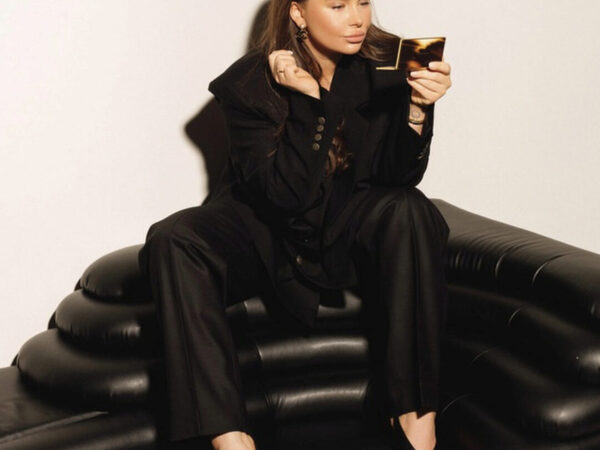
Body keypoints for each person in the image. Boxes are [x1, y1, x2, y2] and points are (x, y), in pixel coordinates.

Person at [138, 0, 452, 449]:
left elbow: (396, 177)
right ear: (298, 13)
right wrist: (309, 101)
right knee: (174, 237)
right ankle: (231, 441)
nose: (357, 18)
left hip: (344, 224)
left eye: (364, 2)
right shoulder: (249, 83)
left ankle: (418, 430)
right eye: (338, 5)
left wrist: (418, 108)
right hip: (266, 229)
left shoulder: (392, 62)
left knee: (412, 209)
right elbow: (284, 196)